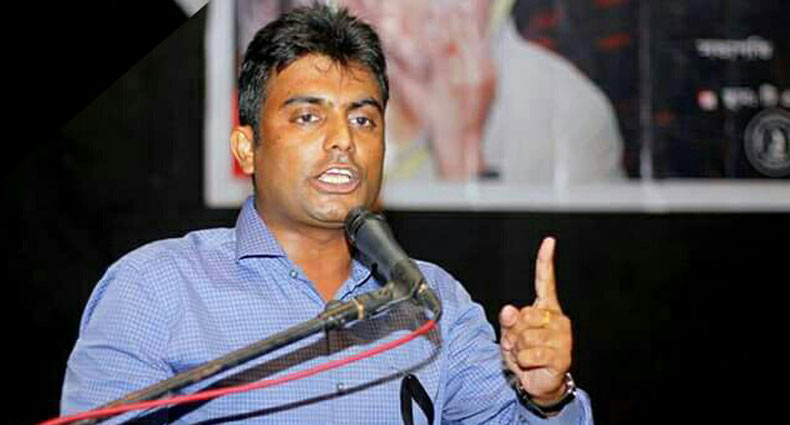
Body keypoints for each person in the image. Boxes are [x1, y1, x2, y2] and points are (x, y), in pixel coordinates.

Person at [61, 4, 592, 424]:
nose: (343, 140)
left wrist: (546, 396)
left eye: (363, 120)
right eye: (308, 117)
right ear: (247, 148)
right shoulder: (157, 290)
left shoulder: (434, 303)